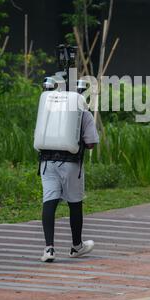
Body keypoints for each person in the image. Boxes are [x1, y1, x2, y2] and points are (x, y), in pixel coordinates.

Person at [39, 107, 99, 263]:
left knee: (49, 201)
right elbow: (91, 142)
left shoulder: (48, 109)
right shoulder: (83, 112)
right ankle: (77, 246)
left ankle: (49, 248)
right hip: (71, 163)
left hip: (47, 162)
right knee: (75, 203)